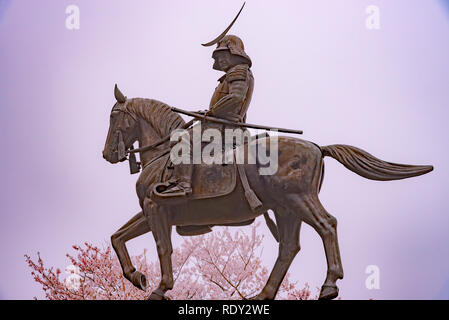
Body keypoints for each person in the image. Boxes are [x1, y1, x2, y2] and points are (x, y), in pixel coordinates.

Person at [159, 35, 254, 197]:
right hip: (221, 124)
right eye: (218, 57)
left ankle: (183, 184)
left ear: (234, 53)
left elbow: (236, 98)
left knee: (181, 138)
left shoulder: (238, 70)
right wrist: (206, 113)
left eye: (224, 55)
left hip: (226, 128)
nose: (221, 60)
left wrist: (212, 113)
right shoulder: (232, 74)